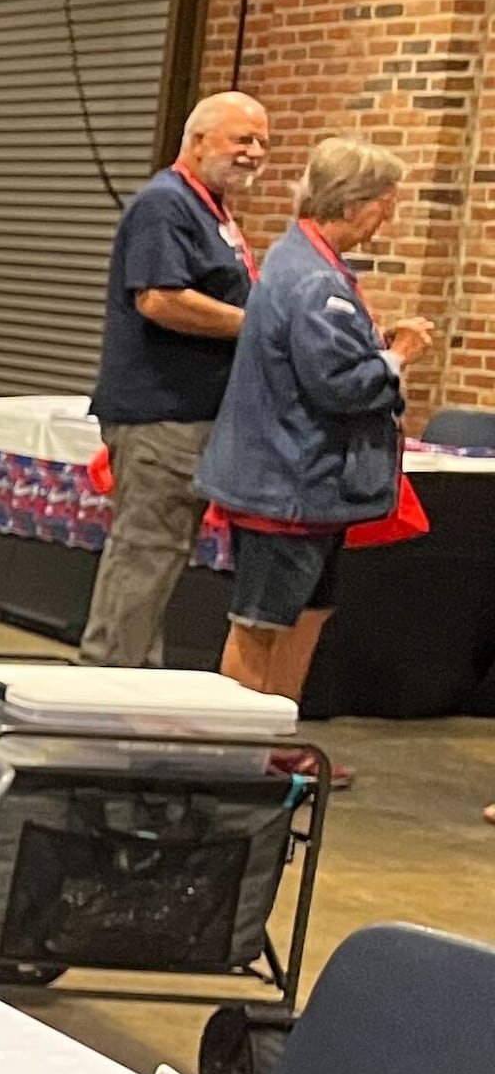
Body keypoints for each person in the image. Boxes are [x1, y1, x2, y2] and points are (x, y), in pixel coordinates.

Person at [195, 136, 428, 713]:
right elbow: (340, 386)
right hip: (289, 485)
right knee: (261, 625)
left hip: (302, 484)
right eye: (384, 204)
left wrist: (373, 347)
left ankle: (275, 737)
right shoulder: (315, 281)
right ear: (351, 204)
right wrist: (398, 356)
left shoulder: (299, 259)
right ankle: (239, 745)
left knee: (307, 615)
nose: (387, 219)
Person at [80, 92, 268, 669]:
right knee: (146, 554)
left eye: (263, 142)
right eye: (242, 139)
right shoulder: (166, 204)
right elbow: (160, 299)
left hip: (191, 414)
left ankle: (134, 682)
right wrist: (261, 324)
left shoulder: (210, 210)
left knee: (158, 558)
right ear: (199, 140)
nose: (254, 152)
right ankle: (105, 683)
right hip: (162, 416)